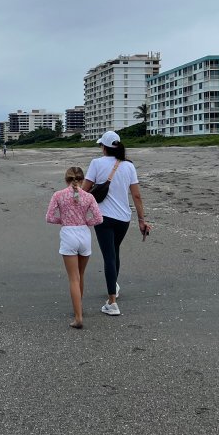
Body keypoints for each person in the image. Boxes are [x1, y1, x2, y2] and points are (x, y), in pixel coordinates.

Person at [83, 131, 151, 316]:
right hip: (123, 219)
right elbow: (136, 195)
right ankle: (114, 286)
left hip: (103, 218)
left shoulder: (96, 163)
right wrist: (141, 220)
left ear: (104, 147)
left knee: (109, 256)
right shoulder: (129, 166)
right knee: (114, 251)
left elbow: (84, 190)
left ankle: (112, 302)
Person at [46, 167, 103, 329]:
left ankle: (78, 317)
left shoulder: (58, 195)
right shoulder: (89, 196)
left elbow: (49, 217)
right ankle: (79, 308)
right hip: (84, 234)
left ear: (66, 180)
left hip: (68, 234)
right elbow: (99, 219)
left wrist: (63, 220)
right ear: (82, 180)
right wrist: (85, 222)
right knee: (80, 274)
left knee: (73, 278)